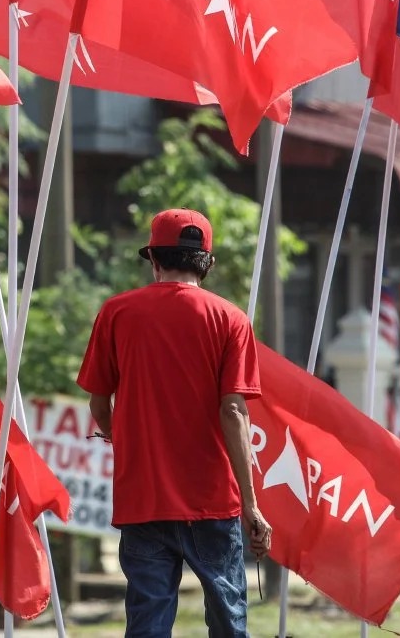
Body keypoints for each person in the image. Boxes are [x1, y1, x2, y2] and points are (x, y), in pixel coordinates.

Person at [77, 208, 270, 637]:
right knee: (229, 623)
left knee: (148, 623)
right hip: (212, 502)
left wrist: (124, 441)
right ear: (208, 263)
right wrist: (251, 504)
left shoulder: (117, 312)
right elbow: (233, 411)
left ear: (153, 258)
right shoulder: (231, 320)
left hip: (143, 500)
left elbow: (98, 402)